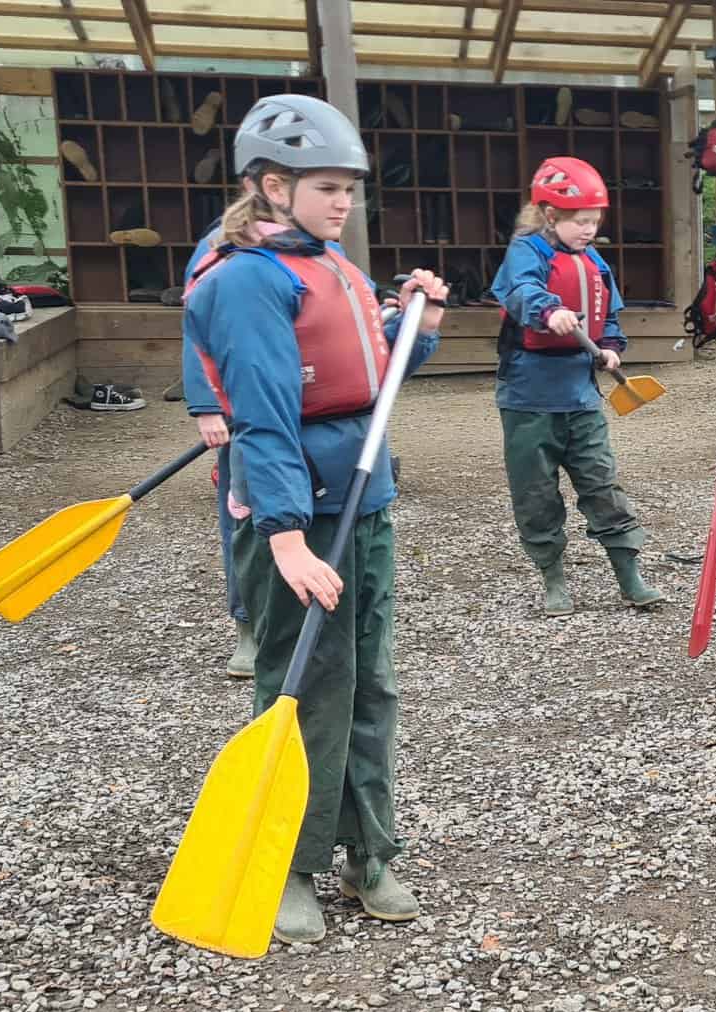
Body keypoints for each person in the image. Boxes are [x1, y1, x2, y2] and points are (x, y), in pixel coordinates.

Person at [182, 94, 448, 946]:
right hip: (298, 518)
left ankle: (370, 849)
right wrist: (287, 538)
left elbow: (375, 366)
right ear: (271, 185)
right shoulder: (245, 282)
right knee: (303, 687)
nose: (344, 204)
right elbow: (262, 421)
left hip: (364, 506)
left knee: (371, 682)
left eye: (349, 189)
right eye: (328, 188)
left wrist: (421, 324)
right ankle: (287, 863)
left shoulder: (335, 265)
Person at [490, 155, 664, 618]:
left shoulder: (593, 259)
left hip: (581, 397)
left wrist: (610, 347)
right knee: (535, 493)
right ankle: (553, 578)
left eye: (595, 220)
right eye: (580, 221)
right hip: (528, 397)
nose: (589, 230)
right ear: (550, 215)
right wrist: (549, 311)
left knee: (602, 483)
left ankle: (629, 576)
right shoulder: (526, 251)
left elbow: (609, 315)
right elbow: (521, 291)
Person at [183, 176, 257, 676]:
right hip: (241, 411)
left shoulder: (317, 244)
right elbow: (197, 324)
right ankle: (248, 626)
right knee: (244, 518)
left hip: (304, 408)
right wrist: (207, 406)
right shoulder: (220, 244)